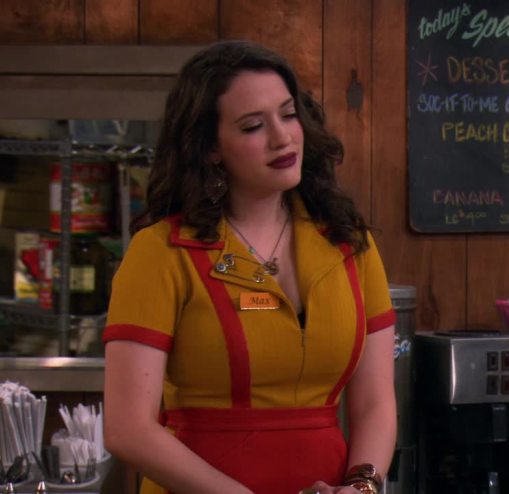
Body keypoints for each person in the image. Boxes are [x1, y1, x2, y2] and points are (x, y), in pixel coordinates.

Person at [102, 40, 397, 494]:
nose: (283, 138)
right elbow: (127, 429)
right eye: (254, 126)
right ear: (210, 147)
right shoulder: (161, 253)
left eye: (289, 114)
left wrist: (363, 485)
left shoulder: (349, 242)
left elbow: (375, 403)